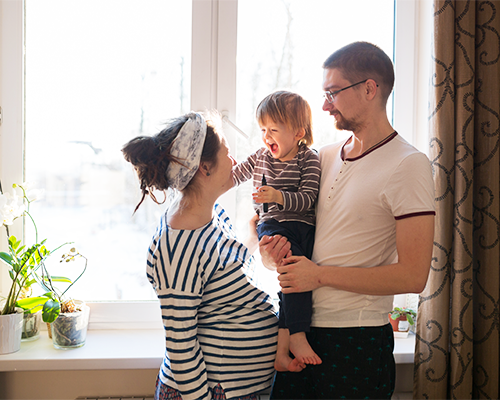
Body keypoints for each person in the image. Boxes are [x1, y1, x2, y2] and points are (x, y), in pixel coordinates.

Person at [259, 42, 436, 399]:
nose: (324, 105)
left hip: (357, 339)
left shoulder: (409, 164)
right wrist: (269, 253)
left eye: (333, 93)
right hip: (300, 328)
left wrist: (319, 275)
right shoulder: (321, 157)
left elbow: (414, 276)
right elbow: (275, 222)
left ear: (369, 89)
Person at [122, 112, 278, 400]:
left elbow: (219, 273)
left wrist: (252, 240)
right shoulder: (177, 245)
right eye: (228, 154)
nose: (234, 162)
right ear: (205, 167)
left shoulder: (209, 214)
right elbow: (181, 349)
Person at [232, 91, 321, 371]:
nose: (266, 136)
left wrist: (278, 195)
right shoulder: (261, 157)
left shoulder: (309, 159)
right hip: (272, 223)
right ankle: (297, 335)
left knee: (291, 284)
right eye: (262, 130)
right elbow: (234, 176)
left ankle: (282, 353)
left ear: (298, 132)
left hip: (303, 226)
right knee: (293, 276)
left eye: (273, 130)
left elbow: (309, 198)